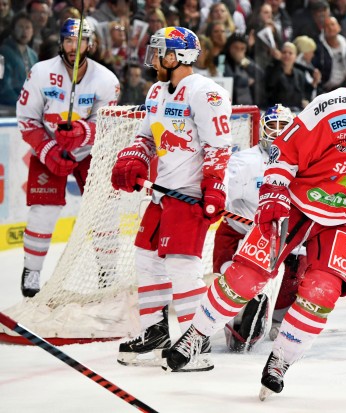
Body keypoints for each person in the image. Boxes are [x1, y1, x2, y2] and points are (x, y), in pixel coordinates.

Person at [163, 43, 346, 399]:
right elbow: (285, 152)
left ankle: (280, 360)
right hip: (297, 206)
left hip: (345, 219)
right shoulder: (332, 107)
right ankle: (196, 334)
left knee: (322, 291)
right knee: (245, 276)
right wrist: (273, 192)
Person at [111, 26, 233, 370]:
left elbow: (218, 146)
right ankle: (155, 334)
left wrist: (214, 185)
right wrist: (132, 158)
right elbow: (146, 137)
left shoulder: (207, 93)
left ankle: (197, 341)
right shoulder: (155, 91)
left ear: (177, 56)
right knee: (145, 259)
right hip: (162, 194)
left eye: (158, 51)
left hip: (190, 195)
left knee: (182, 266)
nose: (152, 58)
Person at [16, 18, 119, 297]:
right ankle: (32, 270)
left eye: (81, 40)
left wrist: (84, 133)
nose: (74, 47)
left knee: (104, 212)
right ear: (61, 42)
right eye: (69, 40)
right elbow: (27, 119)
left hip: (90, 153)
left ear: (91, 44)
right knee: (44, 212)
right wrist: (47, 149)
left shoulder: (107, 80)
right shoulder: (39, 73)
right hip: (47, 147)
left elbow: (107, 124)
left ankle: (107, 271)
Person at [212, 104, 305, 352]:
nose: (276, 133)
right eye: (271, 126)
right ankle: (240, 318)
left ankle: (276, 317)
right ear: (262, 129)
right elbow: (222, 188)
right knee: (236, 287)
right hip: (237, 237)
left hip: (280, 240)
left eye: (282, 127)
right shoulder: (245, 161)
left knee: (302, 271)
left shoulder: (302, 164)